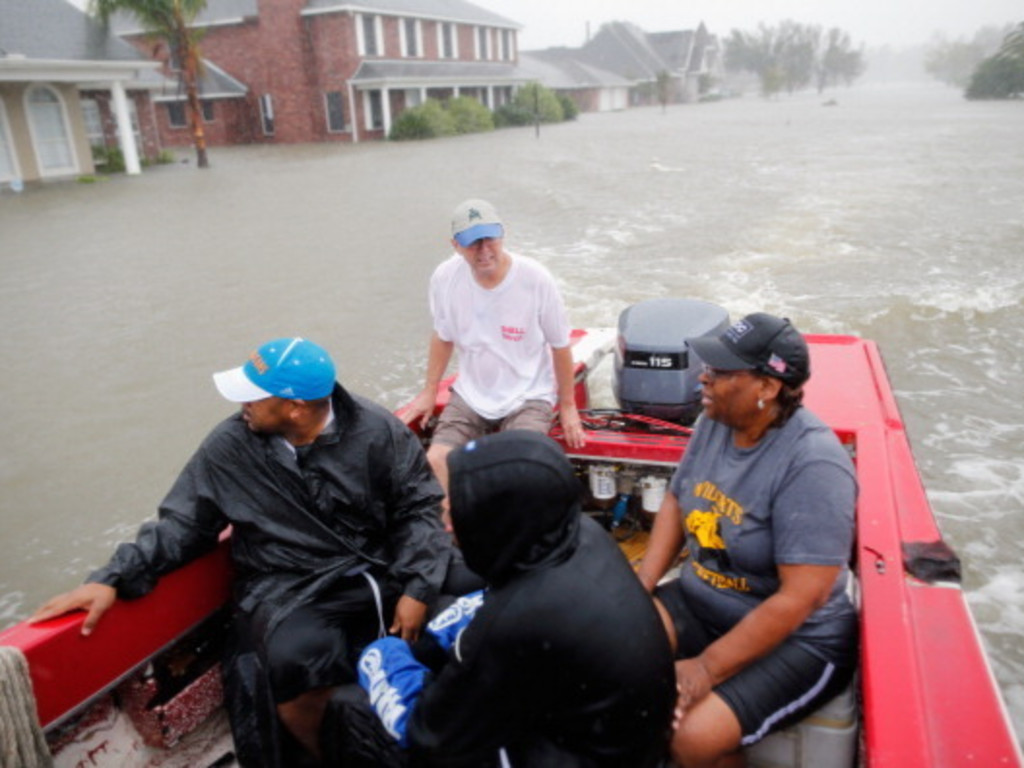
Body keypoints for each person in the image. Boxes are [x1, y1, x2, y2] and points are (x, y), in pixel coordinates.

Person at [30, 337, 452, 767]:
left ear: (295, 407)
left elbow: (418, 507)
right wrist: (111, 578)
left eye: (253, 396)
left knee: (469, 598)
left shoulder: (377, 430)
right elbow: (183, 525)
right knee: (292, 660)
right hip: (294, 583)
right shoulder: (229, 447)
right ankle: (334, 756)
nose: (241, 405)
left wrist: (419, 586)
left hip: (381, 564)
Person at [354, 430, 677, 767]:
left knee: (355, 713)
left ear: (497, 519)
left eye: (459, 510)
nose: (447, 523)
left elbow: (429, 735)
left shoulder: (518, 617)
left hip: (572, 753)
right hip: (626, 736)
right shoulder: (582, 534)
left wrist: (382, 655)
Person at [636, 313, 858, 768]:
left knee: (691, 739)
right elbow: (678, 499)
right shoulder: (713, 421)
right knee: (616, 643)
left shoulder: (813, 464)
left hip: (799, 639)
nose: (704, 378)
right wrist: (639, 588)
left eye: (720, 372)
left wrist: (705, 669)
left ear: (767, 387)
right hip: (704, 602)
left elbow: (801, 598)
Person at [401, 198, 586, 509]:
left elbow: (559, 344)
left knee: (519, 468)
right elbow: (443, 336)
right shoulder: (445, 278)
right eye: (472, 243)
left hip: (528, 394)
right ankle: (454, 538)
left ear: (502, 235)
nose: (484, 249)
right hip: (472, 394)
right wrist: (429, 390)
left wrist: (567, 405)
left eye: (489, 238)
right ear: (456, 245)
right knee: (436, 460)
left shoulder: (535, 279)